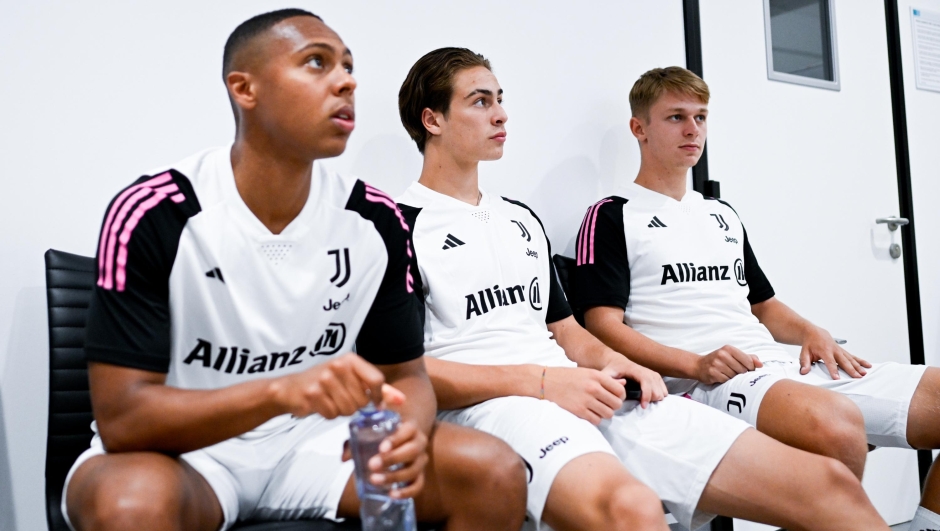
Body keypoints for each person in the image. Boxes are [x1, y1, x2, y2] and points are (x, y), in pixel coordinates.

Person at [62, 10, 527, 531]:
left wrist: (406, 434)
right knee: (130, 505)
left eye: (348, 66)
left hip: (319, 443)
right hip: (191, 452)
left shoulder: (375, 219)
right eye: (316, 63)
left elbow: (407, 377)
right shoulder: (157, 212)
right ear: (245, 88)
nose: (346, 80)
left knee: (494, 471)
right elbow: (124, 421)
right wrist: (281, 390)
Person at [395, 47, 890, 531]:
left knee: (829, 485)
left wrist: (622, 364)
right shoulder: (394, 226)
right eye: (481, 102)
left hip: (583, 388)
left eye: (500, 98)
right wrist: (543, 383)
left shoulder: (520, 218)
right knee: (632, 512)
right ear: (433, 120)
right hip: (494, 406)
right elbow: (402, 374)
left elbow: (567, 332)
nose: (501, 114)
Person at [574, 65, 940, 531]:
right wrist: (694, 364)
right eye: (676, 117)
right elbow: (602, 327)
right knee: (838, 425)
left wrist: (812, 332)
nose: (693, 130)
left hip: (778, 367)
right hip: (707, 382)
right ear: (638, 128)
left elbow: (763, 306)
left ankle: (926, 525)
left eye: (701, 117)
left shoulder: (721, 214)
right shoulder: (612, 215)